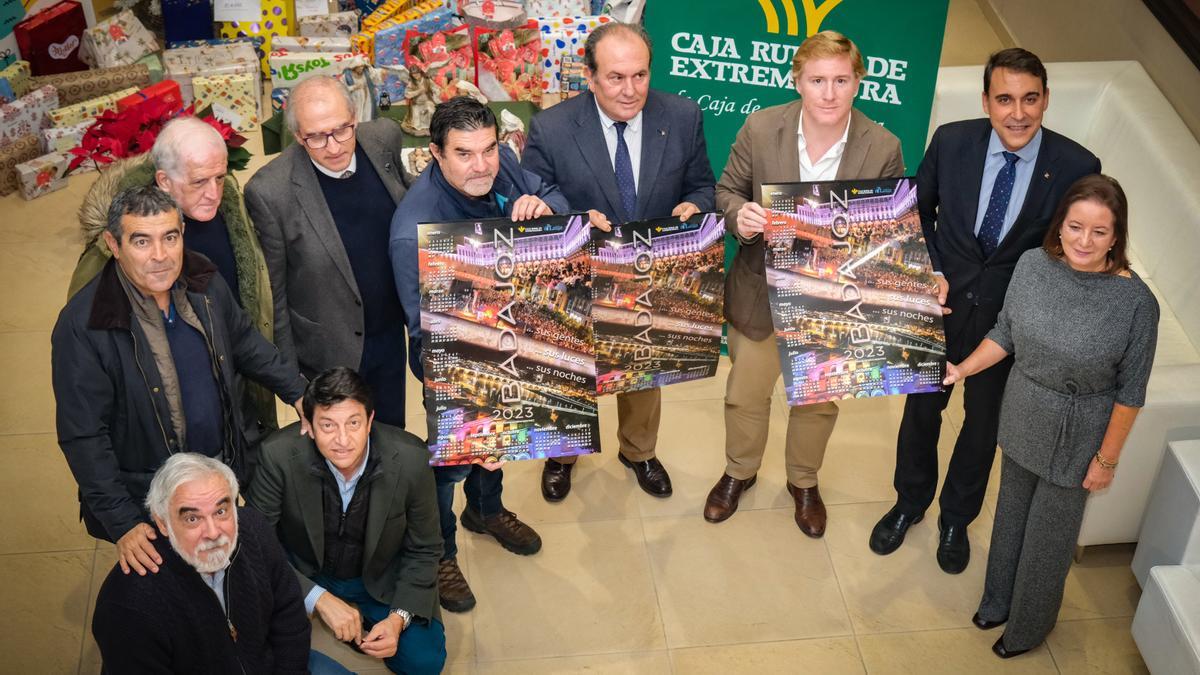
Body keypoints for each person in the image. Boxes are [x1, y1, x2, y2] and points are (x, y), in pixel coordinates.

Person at [870, 48, 1102, 574]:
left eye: (1029, 99)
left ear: (1045, 100)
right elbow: (913, 211)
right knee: (921, 413)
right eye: (1004, 99)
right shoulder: (952, 141)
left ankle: (957, 519)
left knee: (982, 427)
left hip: (1010, 326)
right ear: (986, 101)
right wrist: (927, 268)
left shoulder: (1076, 166)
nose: (1017, 113)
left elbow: (1074, 247)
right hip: (940, 305)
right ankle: (909, 504)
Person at [942, 176, 1157, 658]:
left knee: (1048, 539)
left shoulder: (1137, 304)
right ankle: (997, 602)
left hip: (1079, 431)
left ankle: (1028, 627)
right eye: (1075, 226)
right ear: (1059, 225)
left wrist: (1107, 460)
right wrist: (962, 369)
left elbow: (1132, 393)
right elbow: (1005, 334)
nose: (1084, 241)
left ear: (1117, 237)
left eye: (1099, 232)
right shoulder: (1032, 265)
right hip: (1022, 409)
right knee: (1011, 515)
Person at [51, 185, 307, 577]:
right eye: (141, 241)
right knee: (179, 598)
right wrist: (122, 523)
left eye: (170, 237)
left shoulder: (202, 279)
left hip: (218, 471)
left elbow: (244, 343)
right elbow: (84, 436)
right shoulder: (83, 326)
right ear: (112, 244)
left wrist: (299, 392)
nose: (160, 256)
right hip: (151, 495)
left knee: (232, 576)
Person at [710, 31, 904, 537]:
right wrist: (740, 215)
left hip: (831, 302)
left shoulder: (883, 147)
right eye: (817, 80)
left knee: (816, 402)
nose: (829, 93)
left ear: (859, 82)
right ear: (796, 79)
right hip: (759, 291)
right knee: (744, 396)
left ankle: (803, 480)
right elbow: (727, 190)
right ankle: (739, 472)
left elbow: (887, 231)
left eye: (841, 80)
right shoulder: (760, 128)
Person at [521, 21, 716, 503]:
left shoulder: (684, 115)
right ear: (589, 77)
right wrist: (570, 218)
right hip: (578, 276)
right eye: (615, 77)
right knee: (570, 369)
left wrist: (693, 208)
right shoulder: (551, 127)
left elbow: (702, 186)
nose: (631, 90)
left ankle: (639, 450)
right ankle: (562, 454)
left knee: (643, 371)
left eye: (640, 75)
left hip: (650, 278)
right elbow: (535, 193)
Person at [389, 96, 567, 614]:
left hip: (510, 332)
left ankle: (486, 512)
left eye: (488, 149)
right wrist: (476, 398)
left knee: (503, 436)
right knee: (453, 459)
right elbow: (424, 331)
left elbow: (551, 191)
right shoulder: (412, 230)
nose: (482, 165)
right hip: (452, 355)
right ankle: (439, 552)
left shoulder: (499, 163)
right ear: (435, 155)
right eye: (465, 154)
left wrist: (543, 209)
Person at [69, 115, 279, 436]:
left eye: (220, 178)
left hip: (236, 391)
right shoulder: (110, 249)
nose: (214, 193)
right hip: (162, 416)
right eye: (198, 182)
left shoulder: (231, 213)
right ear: (164, 181)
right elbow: (86, 367)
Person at [247, 367, 446, 674]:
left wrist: (396, 620)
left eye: (353, 423)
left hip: (379, 574)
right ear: (309, 426)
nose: (342, 440)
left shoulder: (411, 459)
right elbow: (256, 544)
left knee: (424, 662)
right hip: (303, 569)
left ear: (370, 421)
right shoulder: (277, 456)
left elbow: (426, 548)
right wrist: (317, 598)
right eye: (327, 425)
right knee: (256, 649)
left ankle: (374, 615)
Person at [246, 76, 414, 428]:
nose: (334, 146)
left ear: (355, 117)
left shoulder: (382, 138)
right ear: (296, 136)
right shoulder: (270, 192)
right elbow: (274, 296)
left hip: (389, 333)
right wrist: (294, 387)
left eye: (342, 129)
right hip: (328, 348)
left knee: (390, 434)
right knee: (341, 449)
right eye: (317, 137)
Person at [91, 453, 350, 675]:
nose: (214, 532)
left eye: (221, 511)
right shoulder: (127, 605)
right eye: (192, 519)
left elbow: (289, 614)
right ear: (162, 524)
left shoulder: (254, 530)